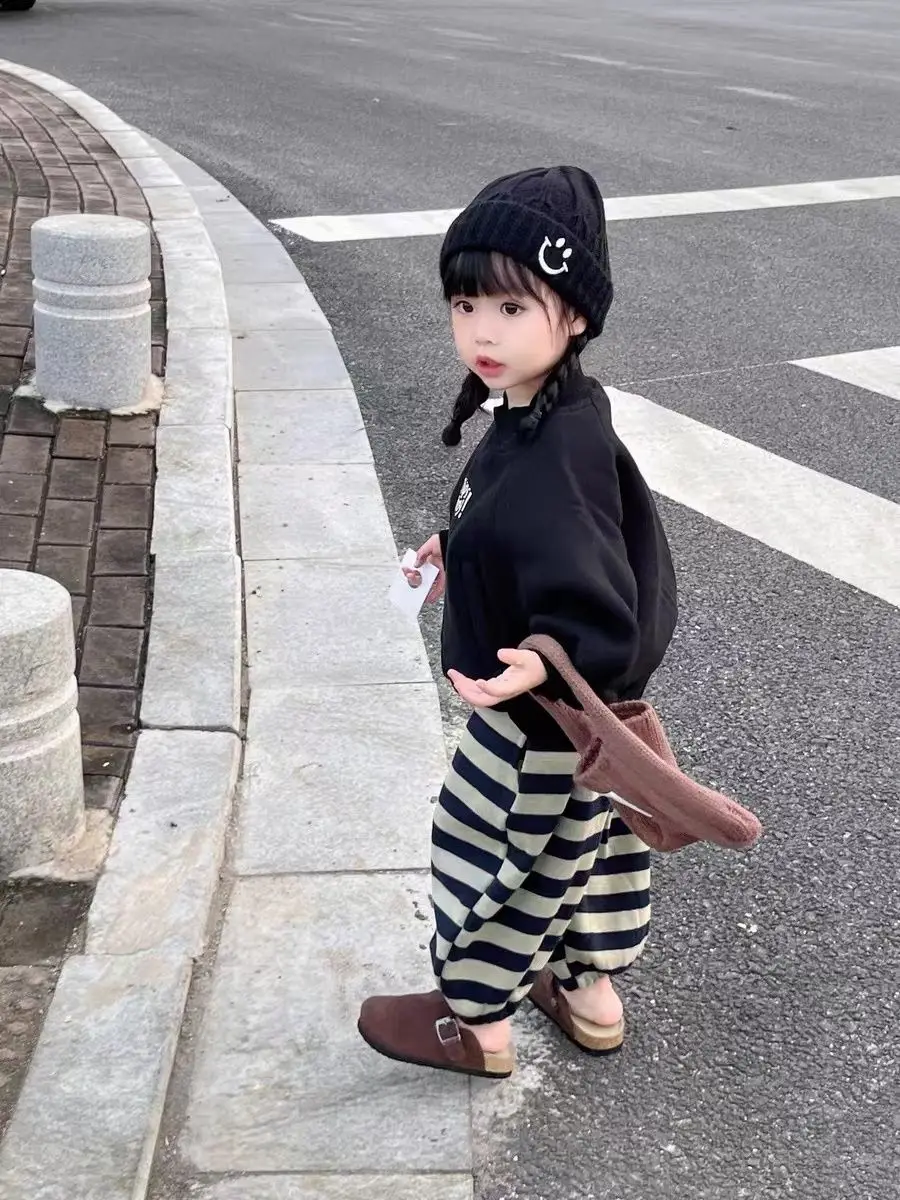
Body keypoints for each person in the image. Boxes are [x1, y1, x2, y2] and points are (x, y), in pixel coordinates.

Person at [358, 166, 678, 1079]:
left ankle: (474, 1024)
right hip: (589, 722)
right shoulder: (557, 409)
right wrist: (454, 546)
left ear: (573, 314)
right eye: (465, 306)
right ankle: (589, 996)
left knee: (492, 857)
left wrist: (544, 661)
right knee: (583, 852)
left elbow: (588, 582)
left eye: (509, 307)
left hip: (531, 717)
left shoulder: (557, 451)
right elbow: (528, 532)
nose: (481, 333)